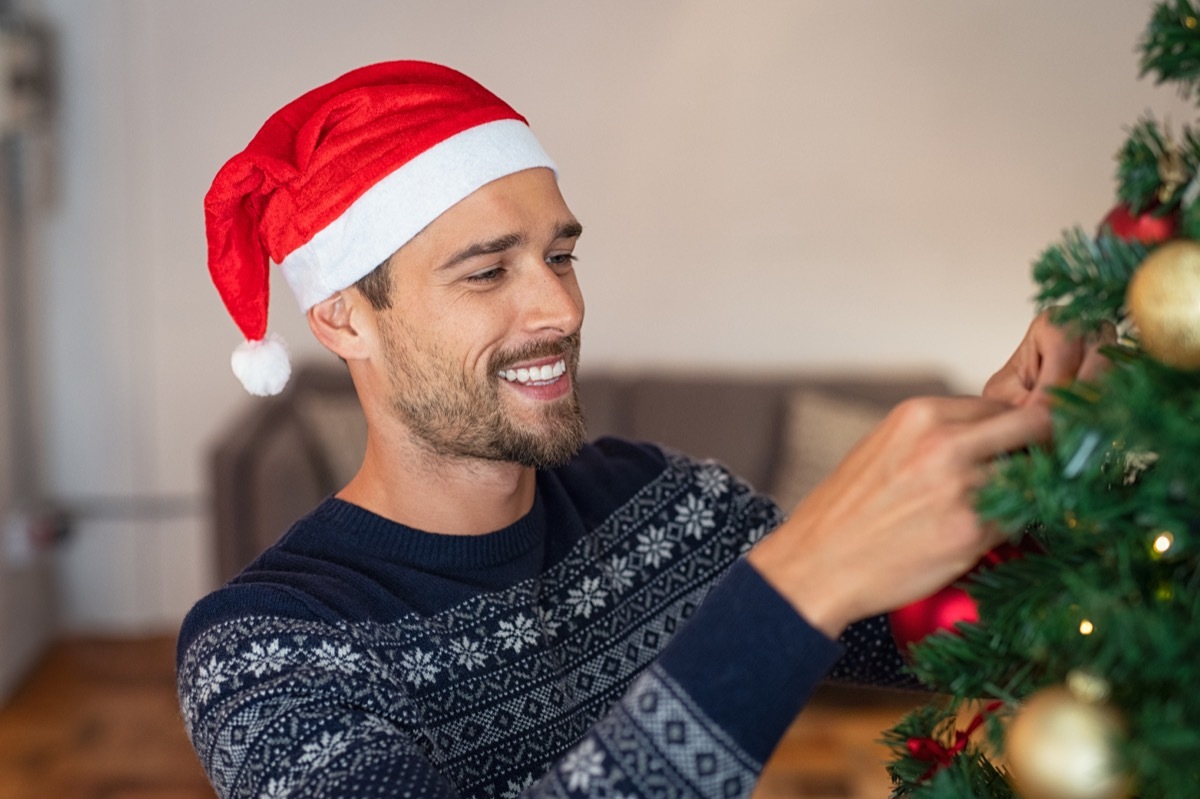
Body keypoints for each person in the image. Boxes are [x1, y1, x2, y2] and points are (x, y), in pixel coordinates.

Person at [178, 61, 1104, 799]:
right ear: (344, 319)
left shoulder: (662, 506)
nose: (559, 308)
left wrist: (1040, 456)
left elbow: (947, 633)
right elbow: (801, 597)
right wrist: (798, 579)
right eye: (486, 272)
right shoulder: (262, 650)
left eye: (560, 255)